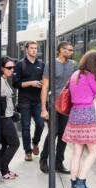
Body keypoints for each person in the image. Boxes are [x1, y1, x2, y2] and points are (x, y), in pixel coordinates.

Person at [62, 50, 96, 188]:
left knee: (77, 152)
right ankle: (81, 182)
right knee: (94, 151)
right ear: (94, 63)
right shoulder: (89, 76)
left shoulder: (75, 74)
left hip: (75, 114)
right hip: (86, 114)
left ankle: (74, 183)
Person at [40, 41, 77, 174]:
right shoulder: (51, 64)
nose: (72, 52)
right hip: (53, 104)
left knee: (63, 135)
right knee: (53, 132)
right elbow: (44, 87)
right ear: (62, 50)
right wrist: (43, 109)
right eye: (70, 50)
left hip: (67, 105)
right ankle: (44, 160)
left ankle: (58, 163)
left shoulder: (73, 65)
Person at [12, 40, 45, 161]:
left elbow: (46, 81)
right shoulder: (20, 65)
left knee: (41, 124)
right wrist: (31, 83)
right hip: (24, 100)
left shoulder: (41, 64)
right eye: (31, 48)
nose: (34, 50)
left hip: (38, 100)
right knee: (26, 127)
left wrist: (41, 84)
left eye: (36, 48)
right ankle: (28, 151)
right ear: (26, 50)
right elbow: (15, 84)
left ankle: (35, 142)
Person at [0, 56, 20, 179]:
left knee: (4, 144)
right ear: (2, 68)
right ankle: (3, 169)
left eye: (13, 67)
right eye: (9, 67)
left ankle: (3, 169)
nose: (12, 69)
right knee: (14, 143)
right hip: (3, 118)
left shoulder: (4, 79)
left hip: (7, 116)